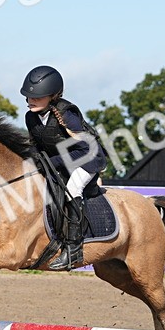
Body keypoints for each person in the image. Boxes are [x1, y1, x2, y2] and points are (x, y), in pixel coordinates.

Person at [21, 65, 105, 271]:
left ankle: (74, 249)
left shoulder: (67, 115)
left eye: (38, 97)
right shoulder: (31, 117)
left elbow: (85, 149)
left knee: (73, 190)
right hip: (61, 162)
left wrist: (51, 163)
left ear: (53, 96)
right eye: (29, 97)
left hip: (88, 159)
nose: (31, 101)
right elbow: (37, 146)